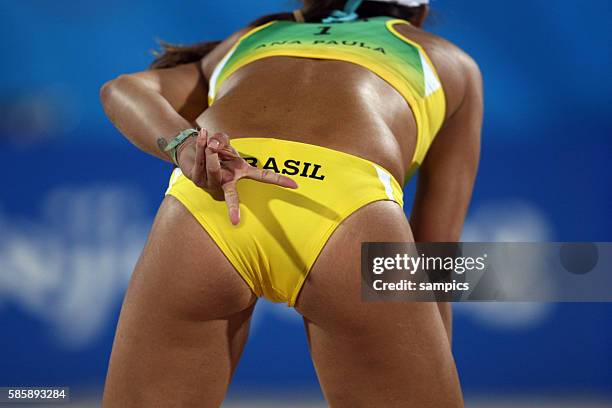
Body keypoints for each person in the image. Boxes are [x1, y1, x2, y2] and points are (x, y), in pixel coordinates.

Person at [100, 0, 482, 406]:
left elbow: (121, 89)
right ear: (418, 14)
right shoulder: (448, 61)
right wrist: (427, 356)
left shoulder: (249, 38)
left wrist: (184, 146)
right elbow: (435, 252)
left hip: (215, 196)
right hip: (348, 208)